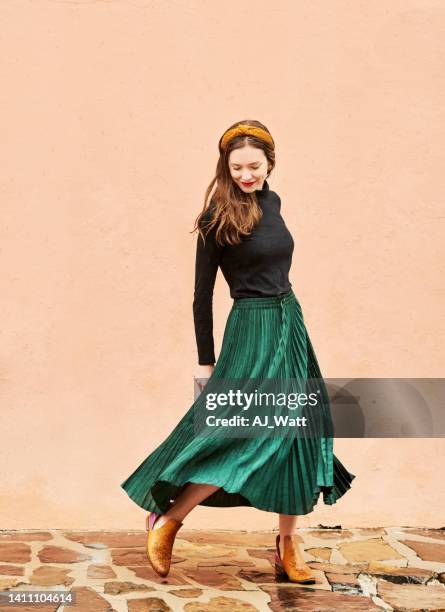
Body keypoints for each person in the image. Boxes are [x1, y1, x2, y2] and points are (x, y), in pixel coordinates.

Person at [120, 120, 356, 584]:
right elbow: (201, 296)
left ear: (270, 163)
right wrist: (205, 360)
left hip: (290, 321)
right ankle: (169, 518)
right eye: (237, 168)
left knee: (298, 431)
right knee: (245, 429)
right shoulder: (216, 217)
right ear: (226, 169)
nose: (246, 175)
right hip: (250, 326)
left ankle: (288, 544)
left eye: (254, 165)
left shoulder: (274, 202)